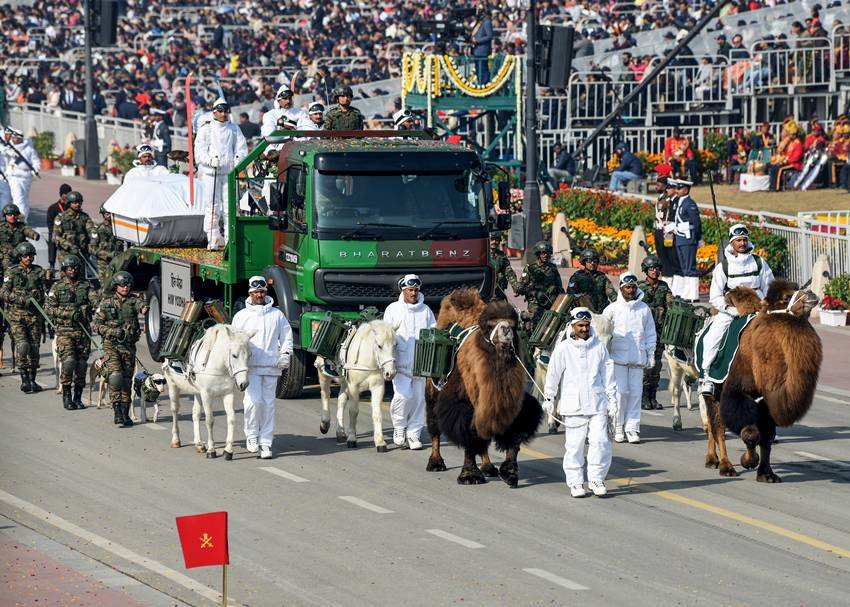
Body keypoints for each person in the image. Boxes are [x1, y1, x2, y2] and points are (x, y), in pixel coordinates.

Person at [543, 307, 619, 498]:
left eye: (586, 325)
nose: (584, 329)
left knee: (601, 442)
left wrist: (613, 399)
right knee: (574, 446)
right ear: (573, 326)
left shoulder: (599, 346)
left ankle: (596, 478)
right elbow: (553, 374)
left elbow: (608, 374)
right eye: (580, 326)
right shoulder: (563, 349)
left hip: (597, 403)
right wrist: (549, 397)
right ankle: (576, 482)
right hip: (574, 405)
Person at [699, 224, 774, 396]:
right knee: (713, 336)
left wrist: (766, 304)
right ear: (732, 242)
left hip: (758, 309)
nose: (742, 243)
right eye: (738, 240)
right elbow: (715, 296)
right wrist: (729, 309)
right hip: (732, 310)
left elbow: (769, 286)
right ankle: (707, 378)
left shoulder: (759, 262)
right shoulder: (723, 267)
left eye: (744, 240)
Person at [231, 276, 293, 459]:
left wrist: (285, 355)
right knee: (253, 402)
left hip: (272, 367)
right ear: (250, 293)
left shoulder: (277, 314)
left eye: (262, 291)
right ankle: (251, 436)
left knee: (268, 405)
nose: (259, 295)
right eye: (256, 292)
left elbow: (287, 337)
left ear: (266, 292)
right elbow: (234, 343)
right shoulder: (241, 316)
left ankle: (266, 442)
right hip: (250, 368)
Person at [383, 274, 436, 450]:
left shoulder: (426, 310)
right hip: (401, 365)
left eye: (416, 290)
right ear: (403, 290)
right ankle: (399, 428)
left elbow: (434, 333)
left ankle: (413, 434)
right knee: (403, 397)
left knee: (419, 400)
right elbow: (385, 337)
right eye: (410, 290)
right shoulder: (393, 309)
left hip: (421, 364)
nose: (413, 293)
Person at [602, 272, 656, 444]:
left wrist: (651, 353)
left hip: (637, 359)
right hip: (616, 359)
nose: (631, 290)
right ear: (621, 288)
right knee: (619, 393)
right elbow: (602, 334)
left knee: (635, 394)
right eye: (627, 287)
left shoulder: (644, 309)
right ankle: (618, 427)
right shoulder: (611, 309)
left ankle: (632, 428)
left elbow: (650, 333)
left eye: (633, 287)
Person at [92, 271, 148, 427]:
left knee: (126, 380)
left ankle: (125, 412)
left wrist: (144, 308)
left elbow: (140, 305)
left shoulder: (133, 301)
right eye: (122, 285)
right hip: (111, 346)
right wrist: (111, 332)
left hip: (128, 347)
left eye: (128, 285)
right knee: (115, 376)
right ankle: (117, 411)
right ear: (116, 286)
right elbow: (96, 325)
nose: (125, 288)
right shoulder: (106, 303)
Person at [45, 254, 98, 410]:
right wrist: (68, 314)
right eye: (69, 268)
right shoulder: (57, 287)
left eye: (75, 268)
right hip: (65, 332)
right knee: (68, 363)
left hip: (82, 332)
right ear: (64, 270)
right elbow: (49, 308)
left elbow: (95, 300)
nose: (73, 270)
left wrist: (96, 308)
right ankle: (67, 396)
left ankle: (78, 397)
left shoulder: (86, 286)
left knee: (81, 366)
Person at [194, 98, 248, 249]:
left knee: (231, 207)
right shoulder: (206, 129)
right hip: (212, 173)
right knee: (212, 206)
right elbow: (199, 151)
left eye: (226, 111)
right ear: (214, 112)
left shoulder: (234, 128)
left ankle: (230, 237)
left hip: (229, 173)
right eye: (220, 111)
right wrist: (210, 161)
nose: (224, 114)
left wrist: (237, 162)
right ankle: (213, 238)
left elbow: (241, 148)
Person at [0, 241, 46, 393]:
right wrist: (21, 300)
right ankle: (24, 378)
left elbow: (44, 293)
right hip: (17, 317)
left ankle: (33, 379)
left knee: (34, 349)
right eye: (25, 256)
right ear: (20, 257)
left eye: (31, 255)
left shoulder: (38, 272)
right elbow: (3, 293)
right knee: (22, 346)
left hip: (34, 317)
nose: (28, 258)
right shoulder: (12, 272)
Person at [638, 255, 672, 410]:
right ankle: (644, 397)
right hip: (643, 332)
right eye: (651, 269)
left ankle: (653, 397)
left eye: (657, 268)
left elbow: (671, 304)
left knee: (656, 366)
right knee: (646, 366)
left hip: (658, 333)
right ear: (646, 270)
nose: (655, 271)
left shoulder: (664, 287)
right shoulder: (639, 288)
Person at [516, 241, 565, 332]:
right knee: (535, 328)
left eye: (548, 253)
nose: (546, 255)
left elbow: (560, 287)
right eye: (543, 253)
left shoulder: (553, 268)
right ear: (538, 254)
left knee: (554, 326)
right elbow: (521, 288)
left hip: (551, 302)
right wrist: (533, 292)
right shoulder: (530, 268)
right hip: (536, 304)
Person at [666, 179, 701, 302]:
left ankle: (693, 295)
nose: (677, 190)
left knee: (689, 267)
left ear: (686, 190)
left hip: (688, 239)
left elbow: (696, 222)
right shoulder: (681, 202)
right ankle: (686, 293)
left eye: (679, 188)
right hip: (680, 238)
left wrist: (698, 238)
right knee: (684, 267)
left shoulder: (689, 203)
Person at [2, 127, 40, 223]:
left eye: (15, 138)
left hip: (26, 177)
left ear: (20, 138)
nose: (13, 139)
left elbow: (36, 161)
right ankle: (18, 219)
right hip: (13, 177)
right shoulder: (8, 147)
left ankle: (23, 219)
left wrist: (35, 170)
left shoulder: (29, 149)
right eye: (12, 138)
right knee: (18, 198)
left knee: (24, 199)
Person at [53, 191, 95, 268]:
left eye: (79, 202)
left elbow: (92, 230)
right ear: (69, 203)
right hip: (65, 254)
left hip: (81, 254)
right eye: (75, 202)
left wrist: (93, 242)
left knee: (81, 277)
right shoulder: (61, 218)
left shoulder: (84, 217)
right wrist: (70, 246)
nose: (78, 204)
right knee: (65, 278)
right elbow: (56, 237)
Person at [567, 248, 617, 313]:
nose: (592, 263)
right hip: (583, 313)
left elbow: (612, 293)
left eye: (595, 261)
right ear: (584, 262)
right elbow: (570, 294)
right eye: (589, 261)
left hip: (601, 312)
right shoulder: (577, 277)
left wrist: (618, 303)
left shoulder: (602, 277)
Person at [0, 203, 40, 276]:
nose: (12, 217)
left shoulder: (21, 226)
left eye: (15, 215)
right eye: (10, 215)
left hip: (20, 254)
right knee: (7, 266)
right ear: (5, 216)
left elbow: (28, 231)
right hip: (5, 255)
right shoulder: (1, 227)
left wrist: (34, 235)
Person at [93, 204, 125, 284]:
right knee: (105, 284)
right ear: (103, 215)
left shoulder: (119, 228)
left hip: (118, 260)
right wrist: (107, 254)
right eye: (107, 214)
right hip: (104, 263)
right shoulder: (99, 229)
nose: (109, 216)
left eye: (111, 213)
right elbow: (92, 248)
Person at [46, 184, 72, 277]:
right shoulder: (53, 208)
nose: (67, 196)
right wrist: (55, 233)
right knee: (52, 239)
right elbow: (49, 223)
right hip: (56, 232)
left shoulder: (71, 208)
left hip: (68, 233)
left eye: (69, 193)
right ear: (61, 194)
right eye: (65, 193)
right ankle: (52, 264)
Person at [489, 231, 517, 301]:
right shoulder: (481, 254)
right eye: (492, 239)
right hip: (485, 291)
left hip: (499, 292)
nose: (494, 242)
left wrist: (515, 287)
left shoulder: (502, 256)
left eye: (497, 240)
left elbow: (509, 271)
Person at [470, 7, 493, 85]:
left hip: (482, 50)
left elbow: (489, 36)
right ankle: (480, 85)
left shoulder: (487, 22)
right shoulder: (478, 23)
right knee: (478, 70)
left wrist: (477, 41)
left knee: (483, 70)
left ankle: (485, 86)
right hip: (476, 50)